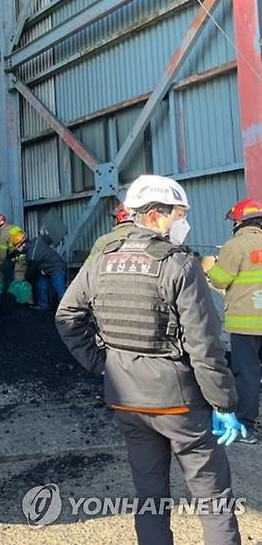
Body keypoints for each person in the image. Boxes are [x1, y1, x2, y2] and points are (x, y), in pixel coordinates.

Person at [56, 174, 246, 545]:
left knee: (150, 497)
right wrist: (224, 402)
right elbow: (204, 346)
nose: (183, 221)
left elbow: (67, 316)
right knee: (214, 500)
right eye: (179, 213)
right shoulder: (180, 265)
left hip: (126, 400)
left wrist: (104, 363)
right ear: (157, 216)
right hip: (179, 405)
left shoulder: (101, 260)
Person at [206, 197, 262, 444]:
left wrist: (211, 266)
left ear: (239, 221)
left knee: (247, 374)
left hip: (246, 325)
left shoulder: (235, 246)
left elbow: (218, 281)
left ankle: (246, 428)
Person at [14, 231, 66, 310]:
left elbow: (30, 272)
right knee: (41, 285)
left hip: (56, 267)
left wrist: (25, 280)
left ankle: (65, 309)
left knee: (59, 288)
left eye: (17, 247)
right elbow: (48, 239)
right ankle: (43, 306)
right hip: (44, 269)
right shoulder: (37, 240)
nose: (18, 250)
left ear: (23, 244)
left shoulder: (32, 255)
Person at [0, 214, 25, 287]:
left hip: (17, 258)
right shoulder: (15, 227)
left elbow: (1, 254)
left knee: (17, 282)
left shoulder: (3, 235)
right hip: (26, 255)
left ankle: (18, 296)